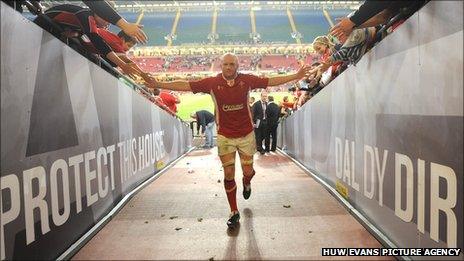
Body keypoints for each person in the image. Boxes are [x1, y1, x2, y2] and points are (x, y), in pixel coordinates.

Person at [142, 53, 310, 227]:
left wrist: (297, 76)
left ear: (237, 65)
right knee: (228, 174)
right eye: (225, 64)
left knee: (247, 172)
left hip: (246, 134)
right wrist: (157, 84)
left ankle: (247, 183)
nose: (228, 67)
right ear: (221, 66)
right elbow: (185, 85)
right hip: (224, 136)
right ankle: (234, 211)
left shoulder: (247, 80)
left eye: (231, 64)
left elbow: (270, 81)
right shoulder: (212, 83)